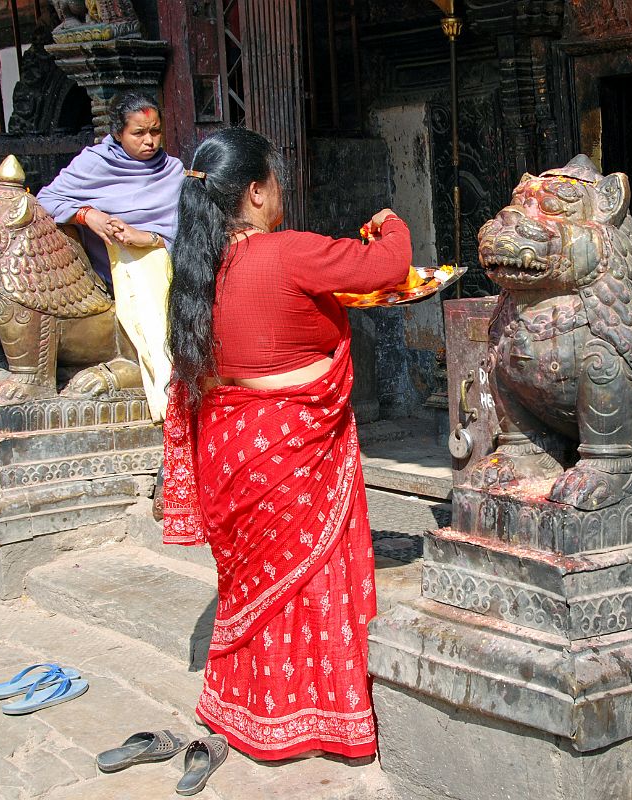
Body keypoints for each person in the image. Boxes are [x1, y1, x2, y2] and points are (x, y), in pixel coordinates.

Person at [161, 127, 412, 762]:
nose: (280, 196)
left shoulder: (196, 270)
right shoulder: (287, 252)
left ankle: (244, 710)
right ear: (253, 192)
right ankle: (321, 718)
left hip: (231, 451)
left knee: (254, 590)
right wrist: (391, 225)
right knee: (313, 581)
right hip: (293, 445)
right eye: (274, 183)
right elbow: (387, 267)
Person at [37, 92, 183, 419]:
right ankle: (168, 396)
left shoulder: (172, 170)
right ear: (118, 133)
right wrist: (87, 214)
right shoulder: (95, 163)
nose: (150, 141)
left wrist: (148, 237)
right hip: (117, 272)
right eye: (139, 133)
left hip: (166, 260)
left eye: (156, 131)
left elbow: (190, 227)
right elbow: (46, 199)